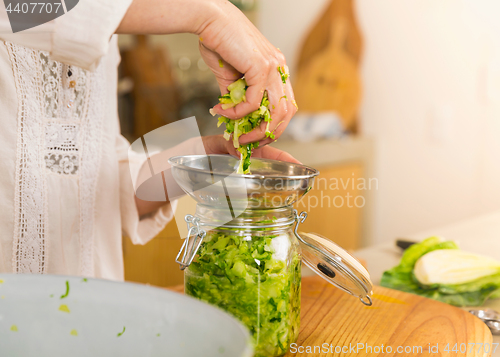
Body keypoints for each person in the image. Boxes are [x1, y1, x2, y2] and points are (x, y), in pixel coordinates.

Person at [0, 0, 298, 279]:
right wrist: (210, 15)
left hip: (90, 311)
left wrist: (201, 162)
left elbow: (99, 183)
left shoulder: (105, 27)